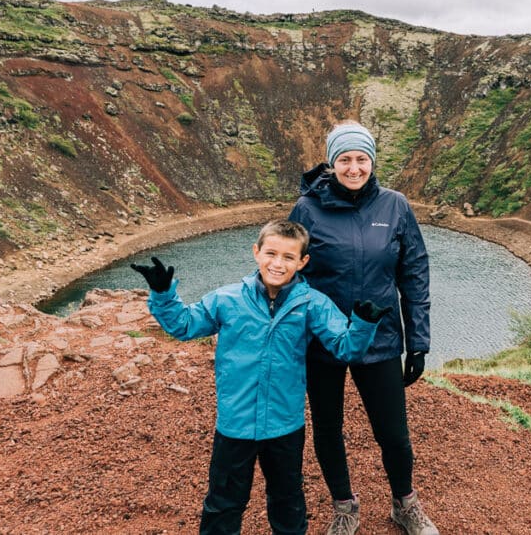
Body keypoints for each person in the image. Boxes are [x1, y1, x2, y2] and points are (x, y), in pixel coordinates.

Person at [131, 220, 389, 535]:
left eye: (288, 257)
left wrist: (363, 324)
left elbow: (345, 347)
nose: (277, 264)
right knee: (223, 504)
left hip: (284, 426)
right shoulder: (226, 299)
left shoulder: (312, 304)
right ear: (256, 252)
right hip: (234, 425)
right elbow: (184, 325)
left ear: (302, 262)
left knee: (288, 501)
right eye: (271, 253)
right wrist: (163, 294)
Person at [289, 121, 439, 535]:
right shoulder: (306, 209)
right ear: (332, 162)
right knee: (327, 427)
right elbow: (287, 270)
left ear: (371, 162)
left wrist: (419, 342)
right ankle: (344, 506)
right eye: (345, 159)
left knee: (393, 431)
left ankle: (405, 505)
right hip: (323, 340)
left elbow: (414, 274)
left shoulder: (396, 206)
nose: (353, 168)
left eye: (361, 159)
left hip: (381, 337)